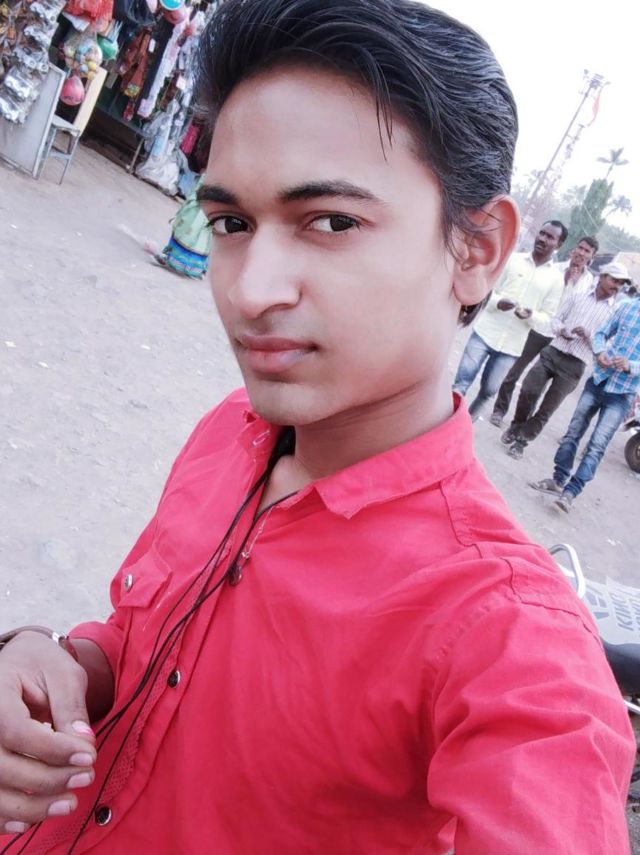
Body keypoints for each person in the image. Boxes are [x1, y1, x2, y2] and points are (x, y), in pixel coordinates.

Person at [0, 2, 634, 853]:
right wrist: (57, 663)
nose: (250, 289)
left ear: (478, 248)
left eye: (331, 221)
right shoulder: (230, 432)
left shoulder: (511, 639)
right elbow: (144, 643)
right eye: (231, 223)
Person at [530, 263, 639, 512]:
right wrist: (599, 352)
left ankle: (571, 492)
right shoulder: (627, 308)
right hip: (598, 380)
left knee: (597, 445)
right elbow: (601, 334)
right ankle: (558, 480)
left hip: (622, 393)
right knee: (572, 433)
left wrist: (631, 366)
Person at [500, 262, 624, 459]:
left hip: (575, 365)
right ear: (602, 277)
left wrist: (590, 336)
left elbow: (609, 346)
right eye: (614, 280)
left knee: (547, 408)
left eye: (621, 283)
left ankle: (522, 442)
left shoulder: (614, 314)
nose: (617, 285)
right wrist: (563, 330)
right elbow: (556, 319)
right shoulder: (578, 296)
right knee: (528, 391)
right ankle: (516, 426)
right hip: (554, 351)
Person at [452, 221, 566, 420]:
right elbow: (487, 290)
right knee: (461, 384)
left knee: (488, 391)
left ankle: (466, 426)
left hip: (511, 346)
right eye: (542, 233)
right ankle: (446, 427)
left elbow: (547, 318)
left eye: (550, 237)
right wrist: (498, 302)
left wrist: (531, 315)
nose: (542, 239)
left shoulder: (556, 280)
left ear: (559, 244)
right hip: (485, 333)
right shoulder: (513, 260)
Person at [488, 233, 598, 426]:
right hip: (538, 328)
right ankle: (499, 410)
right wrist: (566, 279)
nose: (581, 253)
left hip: (561, 339)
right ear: (574, 248)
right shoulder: (555, 269)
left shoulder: (590, 283)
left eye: (587, 251)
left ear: (592, 257)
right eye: (580, 248)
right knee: (514, 371)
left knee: (537, 385)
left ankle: (521, 421)